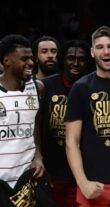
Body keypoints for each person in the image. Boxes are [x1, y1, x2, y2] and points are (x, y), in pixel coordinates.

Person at [65, 26, 110, 207]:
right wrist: (82, 183)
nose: (106, 51)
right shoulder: (81, 88)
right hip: (93, 187)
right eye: (99, 47)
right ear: (92, 52)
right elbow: (71, 141)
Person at [41, 40, 92, 207]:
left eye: (81, 59)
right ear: (62, 60)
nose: (75, 63)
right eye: (71, 58)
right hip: (51, 169)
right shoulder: (46, 86)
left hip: (83, 171)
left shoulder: (92, 87)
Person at [0, 34, 44, 203]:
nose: (31, 63)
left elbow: (35, 124)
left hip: (26, 176)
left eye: (31, 58)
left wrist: (38, 155)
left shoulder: (37, 88)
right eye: (24, 59)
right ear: (6, 61)